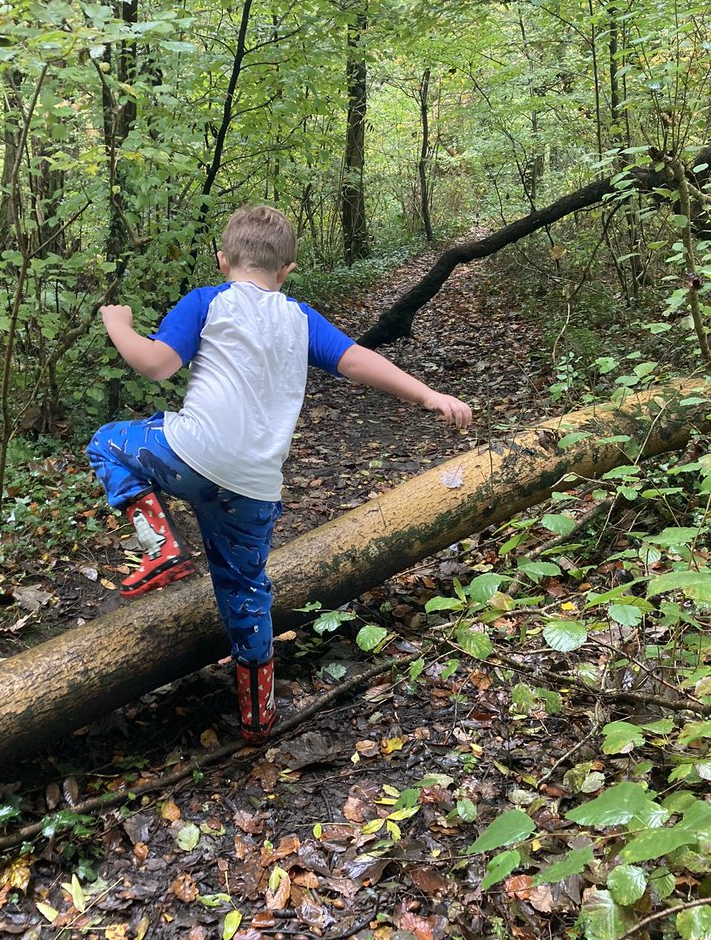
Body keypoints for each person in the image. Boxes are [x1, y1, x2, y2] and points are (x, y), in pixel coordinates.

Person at [87, 205, 472, 745]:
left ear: (222, 259)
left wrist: (118, 325)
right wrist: (429, 395)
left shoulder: (207, 300)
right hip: (255, 487)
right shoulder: (299, 317)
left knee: (107, 442)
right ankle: (258, 718)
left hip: (189, 455)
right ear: (287, 269)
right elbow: (358, 361)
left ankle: (159, 549)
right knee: (245, 589)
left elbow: (156, 364)